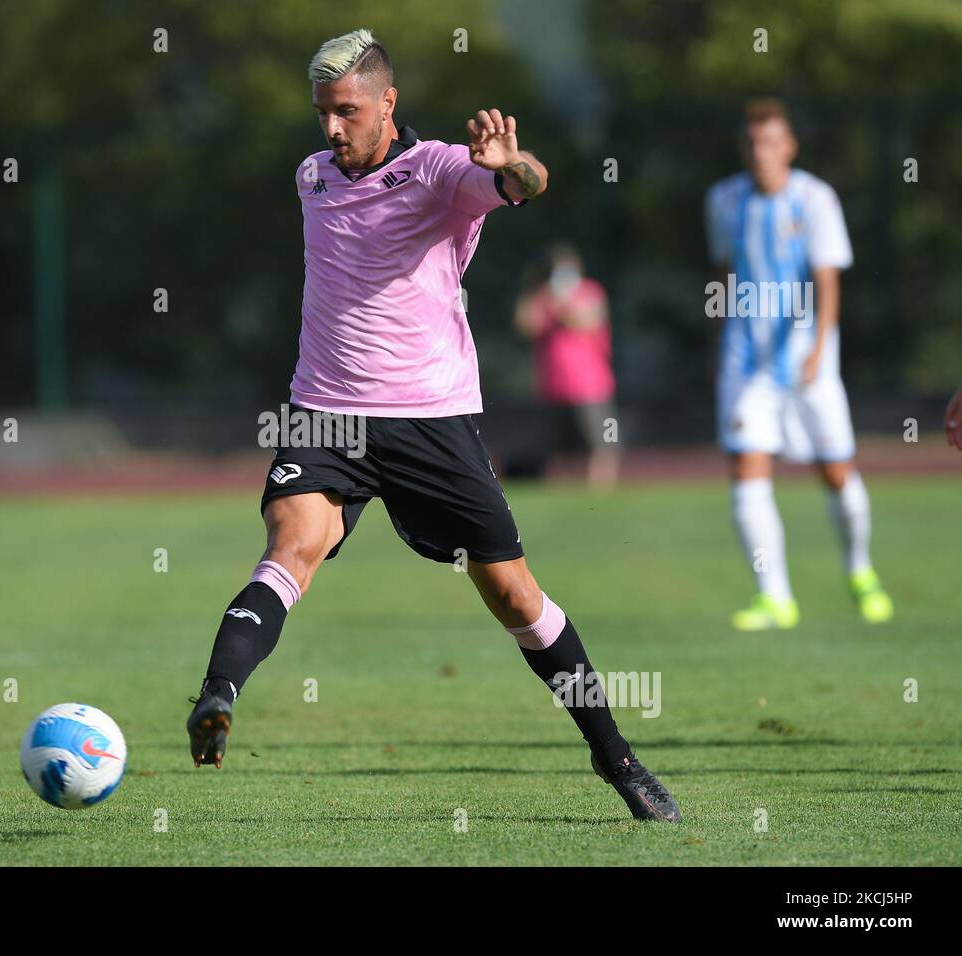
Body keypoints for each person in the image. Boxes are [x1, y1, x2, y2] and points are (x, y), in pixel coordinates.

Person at [186, 29, 681, 823]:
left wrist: (508, 167)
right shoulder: (311, 175)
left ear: (388, 104)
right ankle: (216, 697)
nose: (332, 129)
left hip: (430, 420)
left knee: (514, 596)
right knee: (289, 550)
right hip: (326, 413)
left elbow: (529, 182)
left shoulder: (445, 171)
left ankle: (615, 758)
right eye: (322, 113)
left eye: (347, 111)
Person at [704, 98, 893, 631]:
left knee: (836, 472)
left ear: (789, 147)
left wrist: (817, 349)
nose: (760, 153)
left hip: (809, 364)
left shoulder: (815, 199)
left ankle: (860, 571)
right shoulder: (723, 200)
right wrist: (717, 345)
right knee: (746, 469)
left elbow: (827, 279)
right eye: (752, 143)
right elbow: (721, 273)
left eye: (770, 142)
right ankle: (775, 596)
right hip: (746, 363)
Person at [515, 244, 619, 490]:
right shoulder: (540, 296)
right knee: (559, 448)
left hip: (591, 386)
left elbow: (585, 320)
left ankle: (601, 492)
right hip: (554, 388)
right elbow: (525, 325)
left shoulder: (590, 291)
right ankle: (569, 492)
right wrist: (533, 290)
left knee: (601, 442)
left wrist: (560, 302)